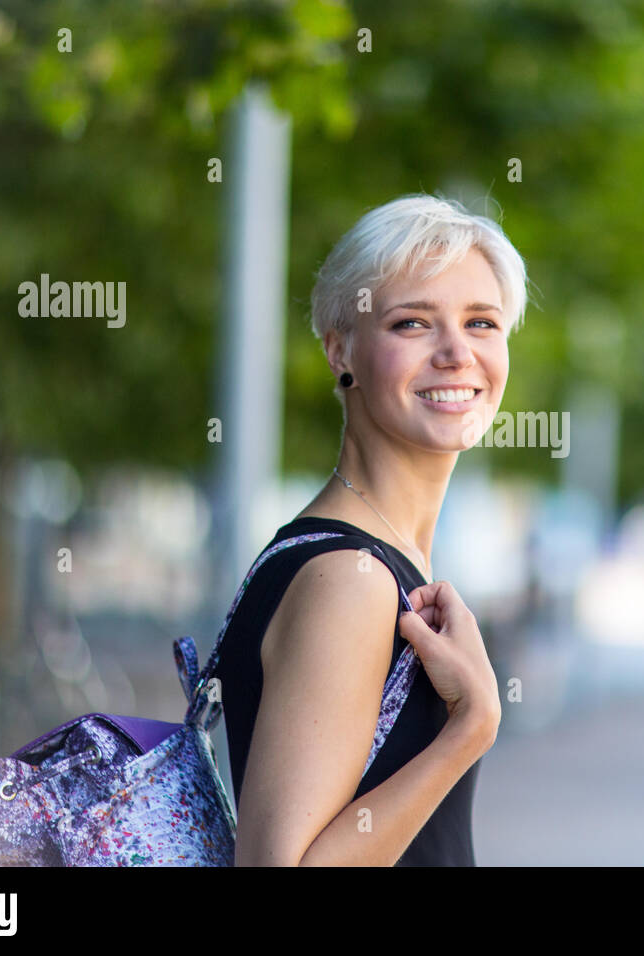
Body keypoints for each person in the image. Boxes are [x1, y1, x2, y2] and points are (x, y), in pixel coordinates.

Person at [217, 193, 529, 865]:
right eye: (413, 323)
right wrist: (470, 729)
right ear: (341, 351)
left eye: (481, 323)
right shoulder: (350, 581)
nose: (456, 353)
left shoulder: (361, 561)